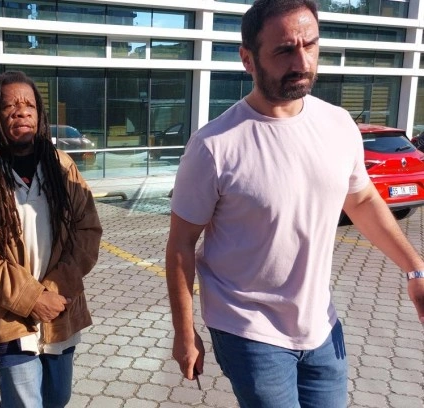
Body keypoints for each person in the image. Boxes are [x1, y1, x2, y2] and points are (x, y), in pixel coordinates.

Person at [165, 1, 424, 407]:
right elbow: (181, 244)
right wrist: (184, 332)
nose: (302, 62)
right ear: (248, 59)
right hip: (248, 330)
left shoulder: (338, 125)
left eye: (310, 45)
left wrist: (415, 268)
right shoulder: (213, 146)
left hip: (322, 325)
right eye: (285, 50)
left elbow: (361, 200)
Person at [0, 71, 102, 408]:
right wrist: (31, 298)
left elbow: (88, 230)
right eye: (10, 106)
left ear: (40, 113)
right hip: (9, 316)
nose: (21, 112)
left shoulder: (62, 167)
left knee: (57, 398)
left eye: (29, 105)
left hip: (61, 309)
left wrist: (53, 291)